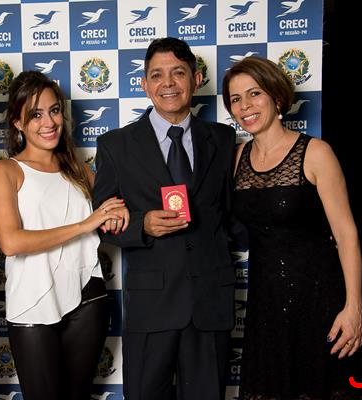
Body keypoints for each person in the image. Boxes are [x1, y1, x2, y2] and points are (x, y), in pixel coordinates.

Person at [93, 37, 236, 400]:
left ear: (196, 78)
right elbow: (103, 221)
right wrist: (141, 225)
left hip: (210, 301)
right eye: (157, 75)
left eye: (178, 73)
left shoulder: (223, 138)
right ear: (144, 84)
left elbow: (233, 212)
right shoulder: (116, 145)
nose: (167, 83)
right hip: (151, 304)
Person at [222, 56, 362, 399]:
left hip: (319, 297)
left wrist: (354, 308)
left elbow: (346, 235)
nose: (245, 106)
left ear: (277, 97)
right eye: (236, 99)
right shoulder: (235, 158)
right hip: (266, 304)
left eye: (254, 93)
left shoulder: (316, 153)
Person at [0, 70, 128, 400]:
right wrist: (84, 224)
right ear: (18, 123)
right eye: (35, 114)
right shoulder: (6, 170)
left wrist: (118, 213)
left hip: (88, 296)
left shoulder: (79, 169)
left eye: (54, 111)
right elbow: (11, 242)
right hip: (32, 299)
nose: (49, 122)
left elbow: (111, 213)